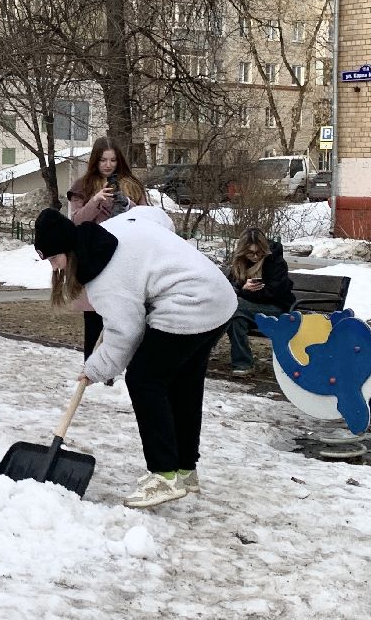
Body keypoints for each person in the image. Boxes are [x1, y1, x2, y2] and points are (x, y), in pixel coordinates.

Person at [34, 205, 236, 509]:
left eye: (52, 258)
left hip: (189, 302)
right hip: (220, 296)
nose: (53, 268)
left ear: (68, 248)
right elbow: (154, 215)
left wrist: (95, 369)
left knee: (144, 379)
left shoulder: (105, 281)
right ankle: (184, 470)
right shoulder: (116, 227)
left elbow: (125, 334)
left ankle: (164, 475)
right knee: (183, 384)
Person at [65, 138, 149, 359]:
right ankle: (92, 369)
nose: (108, 164)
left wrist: (128, 205)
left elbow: (148, 218)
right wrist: (95, 201)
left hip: (124, 256)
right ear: (95, 160)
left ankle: (116, 369)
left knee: (120, 318)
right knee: (93, 318)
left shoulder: (132, 184)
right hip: (93, 258)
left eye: (112, 159)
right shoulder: (82, 186)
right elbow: (75, 221)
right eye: (103, 160)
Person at [225, 227, 295, 377]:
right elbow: (229, 285)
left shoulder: (276, 262)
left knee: (235, 309)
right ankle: (243, 365)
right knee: (236, 318)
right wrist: (242, 288)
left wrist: (244, 292)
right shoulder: (240, 263)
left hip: (277, 308)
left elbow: (273, 293)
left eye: (259, 252)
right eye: (250, 253)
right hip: (247, 309)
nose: (255, 256)